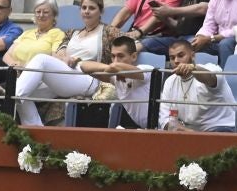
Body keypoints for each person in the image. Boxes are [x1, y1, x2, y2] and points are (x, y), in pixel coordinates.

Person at [14, 7, 144, 128]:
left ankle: (13, 95)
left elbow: (135, 45)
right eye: (84, 8)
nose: (87, 11)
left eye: (91, 8)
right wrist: (65, 58)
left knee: (40, 59)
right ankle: (34, 129)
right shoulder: (72, 32)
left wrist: (117, 64)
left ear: (100, 11)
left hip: (87, 77)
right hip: (66, 71)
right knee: (26, 92)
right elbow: (60, 52)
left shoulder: (108, 31)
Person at [157, 38, 236, 132]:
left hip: (219, 128)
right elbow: (164, 118)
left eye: (181, 55)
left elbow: (210, 78)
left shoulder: (211, 68)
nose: (176, 61)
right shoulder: (170, 81)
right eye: (172, 58)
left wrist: (193, 68)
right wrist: (184, 130)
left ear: (193, 56)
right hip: (188, 132)